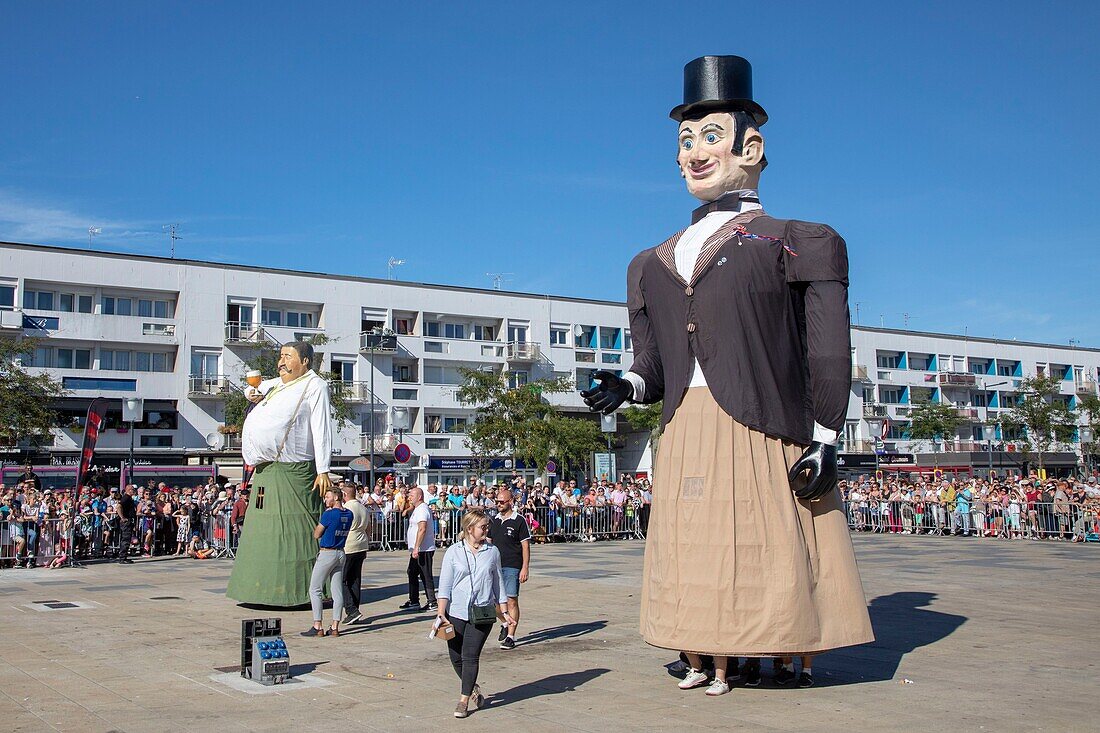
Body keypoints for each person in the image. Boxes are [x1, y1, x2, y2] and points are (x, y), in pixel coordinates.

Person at [581, 55, 873, 695]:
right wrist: (625, 386)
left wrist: (826, 436)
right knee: (698, 549)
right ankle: (705, 650)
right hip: (683, 423)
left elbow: (828, 348)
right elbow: (653, 367)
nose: (694, 153)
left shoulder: (799, 240)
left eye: (710, 136)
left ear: (752, 147)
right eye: (685, 141)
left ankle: (773, 647)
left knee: (762, 542)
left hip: (764, 422)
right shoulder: (648, 264)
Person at [227, 341, 333, 607]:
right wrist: (251, 392)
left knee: (293, 532)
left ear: (306, 361)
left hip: (294, 470)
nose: (281, 362)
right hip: (265, 470)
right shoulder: (276, 384)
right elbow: (252, 388)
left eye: (288, 356)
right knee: (263, 532)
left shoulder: (314, 386)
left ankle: (300, 592)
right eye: (280, 356)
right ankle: (256, 588)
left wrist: (323, 469)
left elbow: (322, 428)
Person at [435, 509, 513, 719]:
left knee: (470, 656)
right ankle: (472, 687)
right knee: (455, 656)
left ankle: (463, 700)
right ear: (470, 529)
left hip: (483, 611)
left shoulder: (492, 551)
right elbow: (445, 585)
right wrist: (441, 613)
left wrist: (504, 612)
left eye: (487, 526)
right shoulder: (454, 551)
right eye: (483, 527)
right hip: (456, 611)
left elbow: (499, 583)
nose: (487, 530)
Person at [302, 488, 352, 638]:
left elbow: (317, 534)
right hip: (341, 552)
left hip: (327, 552)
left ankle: (317, 625)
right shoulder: (349, 514)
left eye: (327, 496)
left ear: (336, 497)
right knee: (337, 591)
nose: (325, 499)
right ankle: (335, 626)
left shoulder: (329, 514)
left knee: (315, 588)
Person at [489, 487, 531, 650]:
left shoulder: (519, 520)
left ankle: (511, 636)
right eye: (497, 501)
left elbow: (525, 546)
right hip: (495, 567)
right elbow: (489, 541)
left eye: (501, 501)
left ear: (510, 501)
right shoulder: (495, 520)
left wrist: (525, 567)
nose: (498, 504)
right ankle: (506, 623)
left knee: (511, 600)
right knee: (494, 604)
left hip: (513, 565)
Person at [400, 487, 438, 612]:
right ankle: (414, 600)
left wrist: (416, 547)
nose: (409, 497)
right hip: (417, 550)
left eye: (411, 495)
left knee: (426, 575)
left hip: (423, 549)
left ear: (419, 497)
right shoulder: (417, 509)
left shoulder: (422, 510)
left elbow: (422, 529)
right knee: (411, 572)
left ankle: (432, 602)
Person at [340, 483, 370, 624]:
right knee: (355, 579)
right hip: (362, 544)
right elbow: (369, 528)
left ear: (345, 495)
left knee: (342, 579)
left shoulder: (346, 508)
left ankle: (351, 610)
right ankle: (354, 610)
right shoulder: (363, 507)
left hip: (349, 545)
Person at [116, 485, 137, 564]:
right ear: (129, 490)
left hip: (130, 521)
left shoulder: (129, 498)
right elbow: (119, 506)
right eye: (133, 490)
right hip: (126, 522)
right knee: (125, 539)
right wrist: (122, 517)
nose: (134, 491)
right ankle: (122, 557)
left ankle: (124, 556)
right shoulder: (126, 497)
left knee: (127, 539)